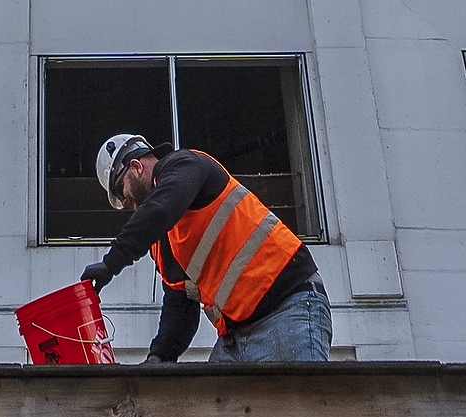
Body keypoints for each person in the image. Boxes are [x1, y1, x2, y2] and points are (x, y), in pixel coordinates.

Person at [77, 130, 331, 364]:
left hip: (288, 308)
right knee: (210, 408)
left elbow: (162, 208)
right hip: (237, 336)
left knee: (300, 410)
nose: (127, 202)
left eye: (121, 191)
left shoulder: (186, 165)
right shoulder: (163, 242)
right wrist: (159, 358)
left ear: (136, 167)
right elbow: (180, 308)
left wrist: (111, 264)